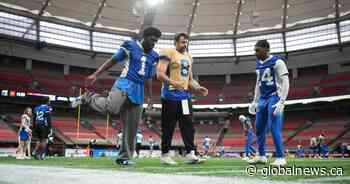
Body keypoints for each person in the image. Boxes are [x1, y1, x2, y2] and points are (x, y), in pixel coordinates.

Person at [70, 27, 162, 165]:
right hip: (124, 84)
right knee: (111, 108)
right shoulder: (130, 46)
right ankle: (87, 97)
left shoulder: (154, 56)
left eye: (156, 41)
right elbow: (112, 60)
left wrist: (149, 97)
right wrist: (96, 74)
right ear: (144, 37)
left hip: (138, 91)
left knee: (132, 127)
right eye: (151, 40)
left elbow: (148, 77)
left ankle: (124, 158)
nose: (154, 43)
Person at [157, 32, 208, 165]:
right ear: (175, 42)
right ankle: (165, 154)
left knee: (188, 125)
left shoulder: (189, 56)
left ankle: (191, 153)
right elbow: (160, 74)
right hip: (170, 96)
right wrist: (174, 83)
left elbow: (190, 79)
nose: (184, 45)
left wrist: (198, 88)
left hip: (185, 97)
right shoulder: (168, 52)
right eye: (182, 42)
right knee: (168, 126)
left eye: (186, 42)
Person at [247, 40, 290, 166]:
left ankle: (281, 157)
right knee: (259, 127)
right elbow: (258, 84)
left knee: (274, 127)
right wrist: (255, 101)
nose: (255, 53)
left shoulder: (278, 62)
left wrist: (282, 101)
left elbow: (286, 81)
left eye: (257, 50)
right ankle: (261, 155)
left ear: (266, 50)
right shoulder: (259, 64)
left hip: (274, 96)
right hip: (263, 99)